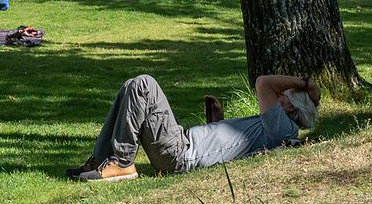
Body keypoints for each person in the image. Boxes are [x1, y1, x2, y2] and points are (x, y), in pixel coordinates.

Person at [68, 73, 320, 182]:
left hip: (181, 154)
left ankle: (122, 162)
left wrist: (306, 84)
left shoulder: (283, 127)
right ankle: (102, 161)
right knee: (131, 86)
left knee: (144, 84)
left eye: (284, 95)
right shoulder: (276, 128)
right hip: (183, 147)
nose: (278, 96)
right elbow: (228, 149)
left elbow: (264, 82)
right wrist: (216, 123)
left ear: (290, 107)